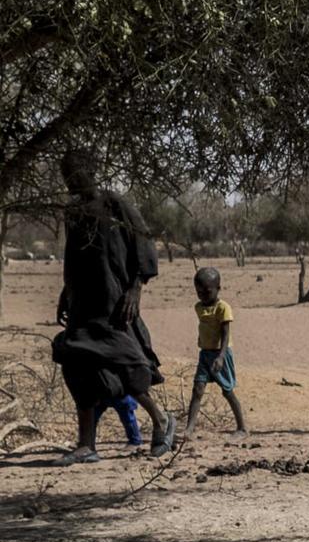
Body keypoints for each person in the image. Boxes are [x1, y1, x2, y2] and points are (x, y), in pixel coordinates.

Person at [51, 148, 176, 464]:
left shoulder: (115, 204)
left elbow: (143, 245)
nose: (69, 179)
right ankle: (86, 444)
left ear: (90, 170)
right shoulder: (73, 211)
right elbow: (74, 256)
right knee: (76, 364)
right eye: (65, 173)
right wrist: (66, 291)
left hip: (114, 304)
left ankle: (161, 421)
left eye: (73, 171)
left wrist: (136, 289)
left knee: (127, 366)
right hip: (82, 304)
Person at [184, 266, 248, 439]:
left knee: (227, 391)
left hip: (221, 354)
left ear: (218, 289)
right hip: (205, 355)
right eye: (199, 292)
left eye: (207, 292)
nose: (203, 296)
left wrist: (220, 356)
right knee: (197, 389)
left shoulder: (223, 308)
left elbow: (226, 334)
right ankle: (189, 429)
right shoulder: (198, 307)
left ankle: (242, 427)